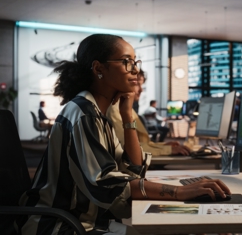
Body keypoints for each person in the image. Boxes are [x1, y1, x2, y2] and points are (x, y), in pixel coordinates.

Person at [17, 34, 230, 234]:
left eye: (135, 62)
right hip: (59, 226)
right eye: (127, 61)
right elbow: (108, 184)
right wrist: (179, 192)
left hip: (85, 221)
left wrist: (127, 115)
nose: (135, 70)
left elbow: (132, 168)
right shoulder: (84, 113)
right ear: (98, 68)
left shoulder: (99, 113)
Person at [107, 69, 191, 156]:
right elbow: (126, 147)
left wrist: (163, 146)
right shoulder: (115, 111)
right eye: (137, 84)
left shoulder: (127, 109)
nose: (141, 90)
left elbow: (141, 144)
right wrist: (168, 150)